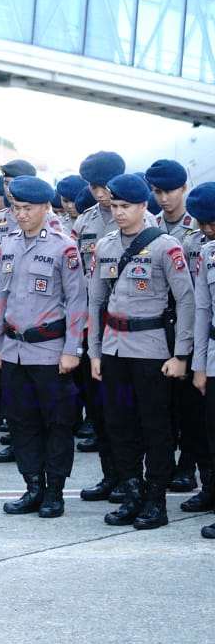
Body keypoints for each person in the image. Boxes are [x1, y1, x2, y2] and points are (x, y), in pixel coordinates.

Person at [89, 173, 195, 530]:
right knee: (119, 425)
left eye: (126, 206)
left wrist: (181, 354)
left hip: (152, 351)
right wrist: (95, 352)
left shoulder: (165, 246)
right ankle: (132, 494)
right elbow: (95, 302)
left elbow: (186, 301)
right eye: (115, 206)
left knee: (155, 428)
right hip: (114, 350)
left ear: (142, 206)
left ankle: (155, 501)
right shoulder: (105, 246)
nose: (119, 212)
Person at [0, 176, 87, 518]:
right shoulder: (9, 243)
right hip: (13, 349)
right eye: (16, 208)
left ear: (45, 207)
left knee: (56, 423)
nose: (21, 215)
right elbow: (1, 297)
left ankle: (54, 491)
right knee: (21, 421)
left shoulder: (63, 247)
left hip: (49, 350)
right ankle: (32, 487)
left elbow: (77, 302)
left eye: (28, 208)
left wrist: (72, 349)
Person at [145, 159, 206, 494]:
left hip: (192, 322)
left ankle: (188, 466)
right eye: (157, 192)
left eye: (169, 191)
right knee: (161, 403)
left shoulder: (199, 225)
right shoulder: (149, 227)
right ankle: (164, 464)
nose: (164, 198)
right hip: (157, 325)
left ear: (184, 188)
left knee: (190, 405)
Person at [74, 151, 129, 502]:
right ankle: (111, 475)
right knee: (98, 408)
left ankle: (131, 478)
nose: (98, 193)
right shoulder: (84, 223)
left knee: (127, 411)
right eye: (93, 187)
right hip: (92, 325)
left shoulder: (143, 219)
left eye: (103, 186)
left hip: (131, 328)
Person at [185, 182, 215, 536]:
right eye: (202, 223)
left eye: (213, 223)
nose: (207, 229)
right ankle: (210, 489)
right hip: (213, 354)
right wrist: (200, 366)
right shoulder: (208, 253)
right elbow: (203, 310)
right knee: (210, 431)